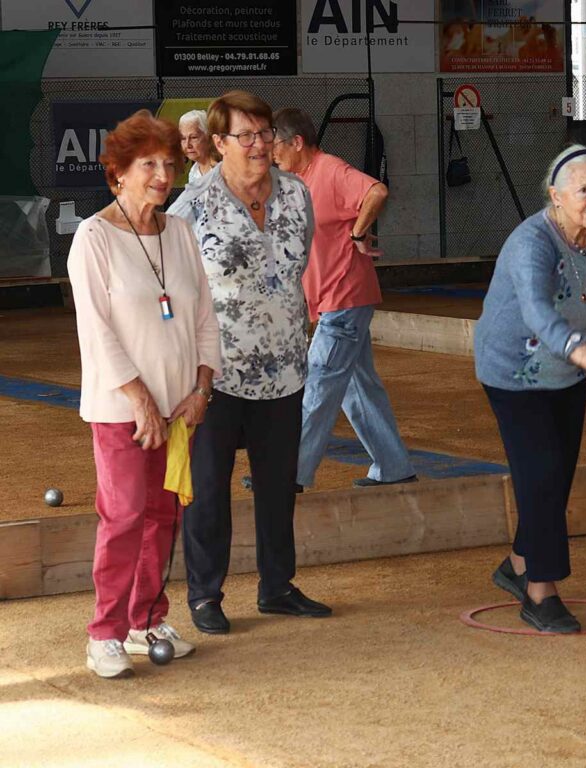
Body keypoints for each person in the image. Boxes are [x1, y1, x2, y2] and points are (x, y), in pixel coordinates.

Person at [168, 91, 331, 633]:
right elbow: (169, 283)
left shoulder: (297, 193)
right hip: (214, 373)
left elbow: (296, 266)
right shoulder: (193, 207)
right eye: (247, 136)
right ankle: (204, 596)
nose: (260, 145)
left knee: (278, 485)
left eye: (265, 134)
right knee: (209, 489)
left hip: (285, 367)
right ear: (219, 143)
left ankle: (277, 586)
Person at [67, 110, 221, 678]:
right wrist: (139, 400)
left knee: (163, 515)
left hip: (180, 409)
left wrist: (201, 389)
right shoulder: (93, 237)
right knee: (125, 515)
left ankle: (146, 621)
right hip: (121, 411)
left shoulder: (179, 232)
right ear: (119, 173)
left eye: (169, 164)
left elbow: (204, 318)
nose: (162, 175)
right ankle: (104, 633)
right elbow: (96, 330)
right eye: (148, 164)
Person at [476, 144, 586, 634]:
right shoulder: (531, 242)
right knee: (540, 475)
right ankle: (540, 592)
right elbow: (538, 312)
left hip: (567, 369)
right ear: (556, 196)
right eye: (583, 190)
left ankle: (518, 562)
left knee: (556, 476)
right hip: (514, 370)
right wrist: (585, 353)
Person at [271, 107, 416, 490]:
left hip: (345, 297)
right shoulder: (299, 181)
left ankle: (287, 473)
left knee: (318, 380)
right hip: (334, 300)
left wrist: (357, 233)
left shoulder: (330, 169)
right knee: (357, 387)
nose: (272, 153)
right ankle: (393, 466)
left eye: (276, 145)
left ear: (296, 142)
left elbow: (376, 191)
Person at [179, 110, 217, 184]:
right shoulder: (193, 172)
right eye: (183, 138)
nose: (187, 145)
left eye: (193, 137)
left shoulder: (223, 170)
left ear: (208, 137)